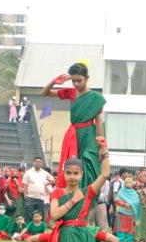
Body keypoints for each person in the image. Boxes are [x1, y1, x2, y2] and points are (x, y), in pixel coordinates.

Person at [42, 62, 106, 190]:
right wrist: (54, 82)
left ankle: (87, 193)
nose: (76, 84)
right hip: (74, 134)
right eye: (73, 81)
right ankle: (72, 193)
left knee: (89, 161)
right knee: (73, 163)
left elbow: (98, 122)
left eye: (79, 80)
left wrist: (102, 143)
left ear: (87, 79)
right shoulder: (71, 92)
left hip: (89, 134)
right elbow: (45, 93)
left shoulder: (95, 98)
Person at [22, 157, 53, 225]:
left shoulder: (44, 173)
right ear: (33, 162)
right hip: (30, 198)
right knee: (29, 216)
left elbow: (53, 180)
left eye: (39, 162)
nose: (38, 163)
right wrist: (25, 197)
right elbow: (24, 186)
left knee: (39, 217)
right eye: (36, 161)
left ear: (42, 163)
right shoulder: (28, 172)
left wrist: (47, 183)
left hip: (40, 199)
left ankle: (38, 232)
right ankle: (28, 232)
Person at [113, 175, 140, 242]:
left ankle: (129, 241)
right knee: (121, 227)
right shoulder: (121, 191)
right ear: (124, 184)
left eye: (129, 183)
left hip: (130, 213)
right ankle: (121, 240)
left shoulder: (134, 192)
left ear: (132, 184)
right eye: (126, 183)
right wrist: (124, 204)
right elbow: (117, 200)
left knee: (130, 228)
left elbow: (137, 202)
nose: (128, 184)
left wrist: (131, 204)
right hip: (122, 212)